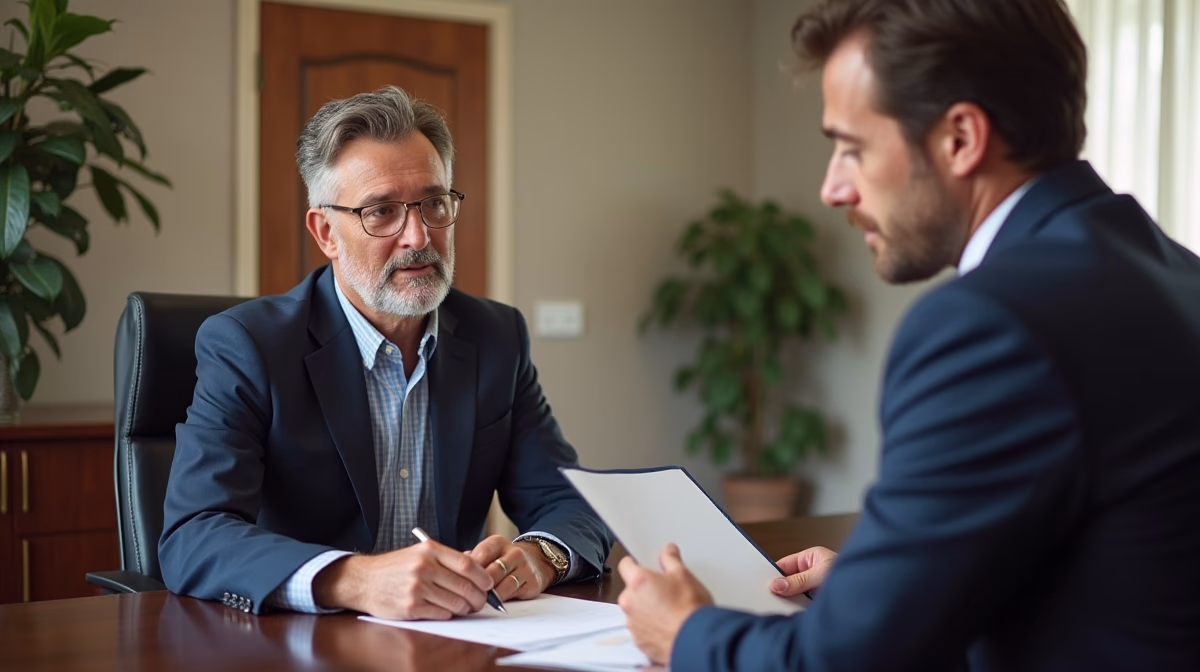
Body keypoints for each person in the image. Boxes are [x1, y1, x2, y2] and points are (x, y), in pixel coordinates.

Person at [617, 1, 1200, 669]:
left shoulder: (991, 323)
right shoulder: (1176, 275)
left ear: (960, 138)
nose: (832, 189)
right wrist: (887, 588)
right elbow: (1109, 572)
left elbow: (847, 663)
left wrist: (685, 632)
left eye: (852, 148)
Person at [159, 86, 612, 619]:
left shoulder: (496, 337)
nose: (417, 236)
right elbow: (194, 534)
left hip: (454, 637)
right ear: (326, 232)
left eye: (434, 203)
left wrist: (539, 555)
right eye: (381, 211)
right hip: (302, 641)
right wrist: (355, 580)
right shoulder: (248, 345)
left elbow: (571, 502)